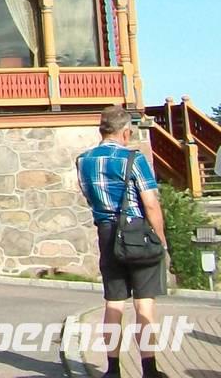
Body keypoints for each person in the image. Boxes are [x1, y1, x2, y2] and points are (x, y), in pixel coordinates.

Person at [77, 107, 168, 378]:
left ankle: (113, 368)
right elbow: (151, 203)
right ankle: (149, 369)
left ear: (101, 130)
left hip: (107, 232)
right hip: (137, 232)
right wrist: (161, 240)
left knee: (114, 302)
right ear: (126, 131)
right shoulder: (133, 159)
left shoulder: (84, 160)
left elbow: (88, 195)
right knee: (144, 303)